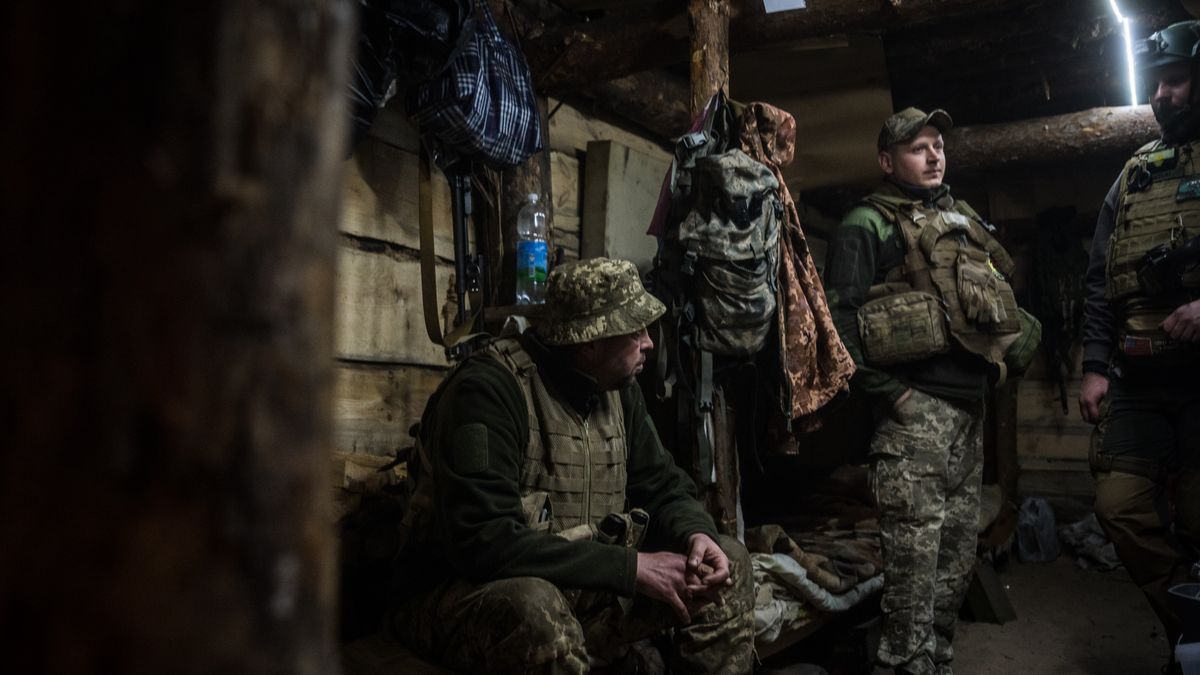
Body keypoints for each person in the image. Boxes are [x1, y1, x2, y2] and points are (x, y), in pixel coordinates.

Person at [392, 257, 755, 674]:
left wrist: (697, 533)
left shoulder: (617, 389)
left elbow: (662, 485)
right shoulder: (488, 392)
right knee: (536, 610)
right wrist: (632, 568)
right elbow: (483, 541)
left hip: (581, 589)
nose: (649, 343)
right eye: (634, 331)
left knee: (728, 564)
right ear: (589, 343)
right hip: (454, 598)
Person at [823, 108, 1036, 675]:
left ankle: (936, 664)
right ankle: (903, 666)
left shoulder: (960, 219)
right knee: (912, 575)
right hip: (914, 416)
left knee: (954, 564)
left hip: (968, 413)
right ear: (886, 160)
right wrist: (892, 396)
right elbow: (836, 323)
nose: (934, 155)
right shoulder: (865, 223)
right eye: (918, 147)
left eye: (938, 144)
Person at [1078, 20, 1200, 662]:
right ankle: (1189, 625)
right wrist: (1095, 366)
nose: (1159, 95)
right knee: (1119, 507)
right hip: (1138, 382)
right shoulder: (1132, 176)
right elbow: (1100, 279)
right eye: (1155, 83)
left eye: (1174, 81)